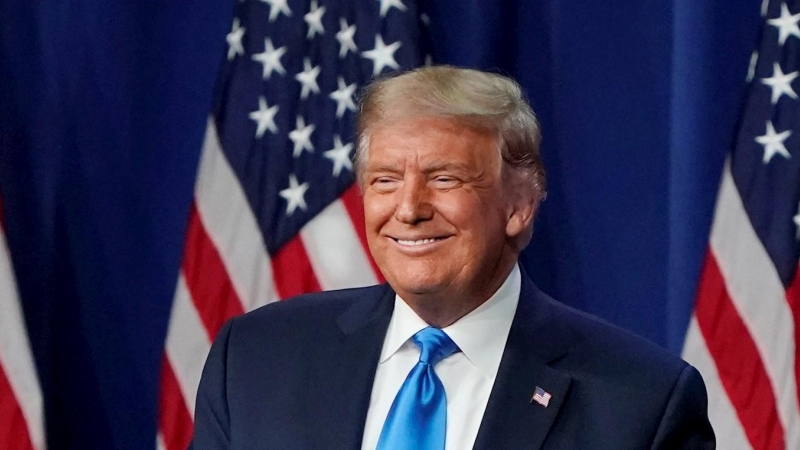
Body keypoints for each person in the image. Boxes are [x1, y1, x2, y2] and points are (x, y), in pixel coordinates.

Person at [190, 66, 715, 449]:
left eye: (445, 179)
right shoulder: (256, 361)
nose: (409, 209)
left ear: (519, 206)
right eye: (385, 181)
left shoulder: (642, 405)